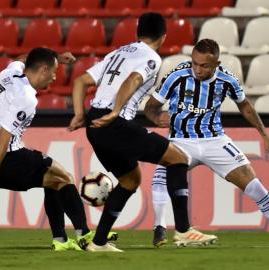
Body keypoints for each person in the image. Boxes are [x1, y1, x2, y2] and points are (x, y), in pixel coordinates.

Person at [145, 38, 269, 248]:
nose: (197, 69)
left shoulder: (227, 80)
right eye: (194, 63)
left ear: (216, 63)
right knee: (161, 175)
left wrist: (265, 134)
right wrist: (156, 118)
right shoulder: (177, 76)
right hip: (181, 140)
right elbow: (150, 107)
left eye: (204, 65)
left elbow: (245, 106)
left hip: (215, 141)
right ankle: (159, 227)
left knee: (255, 187)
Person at [69, 12, 212, 252]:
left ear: (138, 33)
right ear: (163, 37)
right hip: (115, 123)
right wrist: (116, 111)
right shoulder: (152, 57)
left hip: (95, 123)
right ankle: (184, 230)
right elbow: (134, 80)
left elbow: (80, 81)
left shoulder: (118, 53)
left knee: (130, 180)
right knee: (178, 159)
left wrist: (79, 114)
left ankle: (99, 242)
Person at [0, 47, 115, 251]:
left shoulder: (10, 72)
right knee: (64, 178)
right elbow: (2, 139)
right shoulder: (26, 98)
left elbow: (22, 57)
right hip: (4, 158)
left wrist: (55, 58)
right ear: (42, 70)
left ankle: (60, 240)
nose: (55, 77)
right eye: (53, 71)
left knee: (55, 181)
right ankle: (85, 235)